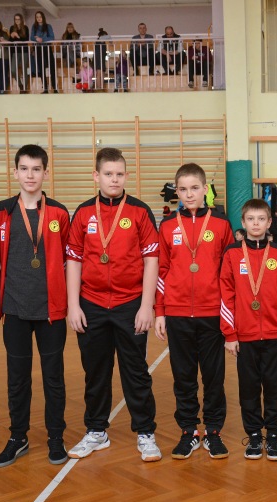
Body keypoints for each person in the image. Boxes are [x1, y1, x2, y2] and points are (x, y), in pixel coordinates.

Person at [65, 148, 161, 462]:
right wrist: (73, 306)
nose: (114, 179)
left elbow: (151, 260)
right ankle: (96, 431)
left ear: (127, 176)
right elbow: (74, 260)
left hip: (130, 304)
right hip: (91, 304)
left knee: (136, 372)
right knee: (96, 372)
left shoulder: (139, 211)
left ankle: (145, 432)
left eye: (119, 174)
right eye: (108, 174)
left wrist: (146, 306)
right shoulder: (83, 213)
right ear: (96, 176)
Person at [0, 144, 70, 468]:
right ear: (15, 172)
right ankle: (18, 437)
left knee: (54, 378)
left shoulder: (59, 213)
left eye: (36, 169)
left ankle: (56, 438)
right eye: (24, 168)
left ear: (45, 173)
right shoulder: (1, 212)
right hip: (15, 309)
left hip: (51, 311)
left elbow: (68, 261)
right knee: (17, 379)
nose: (30, 175)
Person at [155, 163, 234, 460]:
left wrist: (229, 314)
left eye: (195, 188)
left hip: (212, 312)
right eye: (183, 189)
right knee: (184, 377)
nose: (189, 194)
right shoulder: (166, 226)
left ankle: (213, 431)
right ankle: (188, 431)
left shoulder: (221, 224)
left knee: (214, 377)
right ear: (177, 192)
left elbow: (229, 273)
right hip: (177, 313)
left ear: (205, 190)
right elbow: (161, 271)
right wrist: (160, 311)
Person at [220, 199, 277, 461]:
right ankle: (253, 435)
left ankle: (273, 436)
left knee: (275, 387)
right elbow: (226, 294)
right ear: (243, 222)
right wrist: (230, 334)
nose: (255, 224)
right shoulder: (232, 253)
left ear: (269, 222)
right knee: (249, 388)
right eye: (250, 219)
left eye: (261, 219)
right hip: (244, 335)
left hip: (275, 334)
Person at [31, 11, 58, 94]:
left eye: (40, 17)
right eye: (37, 17)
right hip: (38, 49)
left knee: (52, 67)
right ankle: (45, 88)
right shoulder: (34, 27)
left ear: (43, 17)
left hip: (47, 47)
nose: (39, 18)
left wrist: (42, 39)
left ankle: (55, 87)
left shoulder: (48, 26)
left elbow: (52, 37)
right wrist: (36, 39)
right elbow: (31, 37)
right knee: (41, 68)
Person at [9, 13, 29, 92]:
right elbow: (10, 41)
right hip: (15, 51)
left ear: (21, 20)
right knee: (13, 70)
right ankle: (20, 84)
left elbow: (26, 39)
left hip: (24, 51)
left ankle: (25, 88)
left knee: (24, 70)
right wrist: (11, 36)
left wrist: (17, 36)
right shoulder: (12, 28)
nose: (17, 21)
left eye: (18, 19)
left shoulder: (25, 28)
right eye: (15, 19)